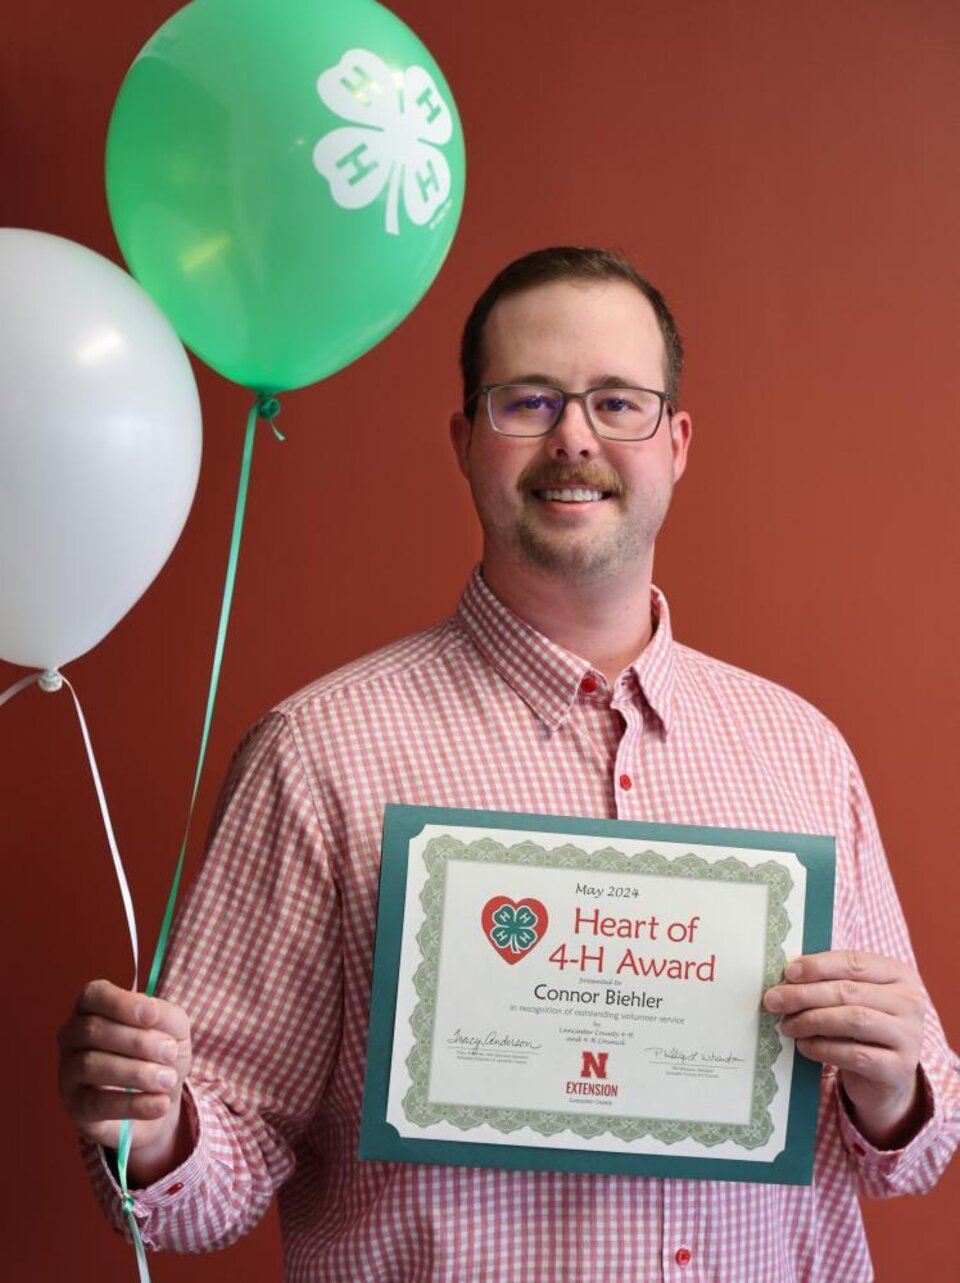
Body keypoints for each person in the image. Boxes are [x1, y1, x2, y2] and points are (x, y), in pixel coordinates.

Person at [58, 247, 957, 1281]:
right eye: (527, 400)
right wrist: (152, 1122)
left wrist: (896, 1086)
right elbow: (203, 1185)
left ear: (676, 441)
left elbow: (909, 1151)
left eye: (618, 401)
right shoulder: (320, 753)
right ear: (464, 440)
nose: (573, 436)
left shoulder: (801, 750)